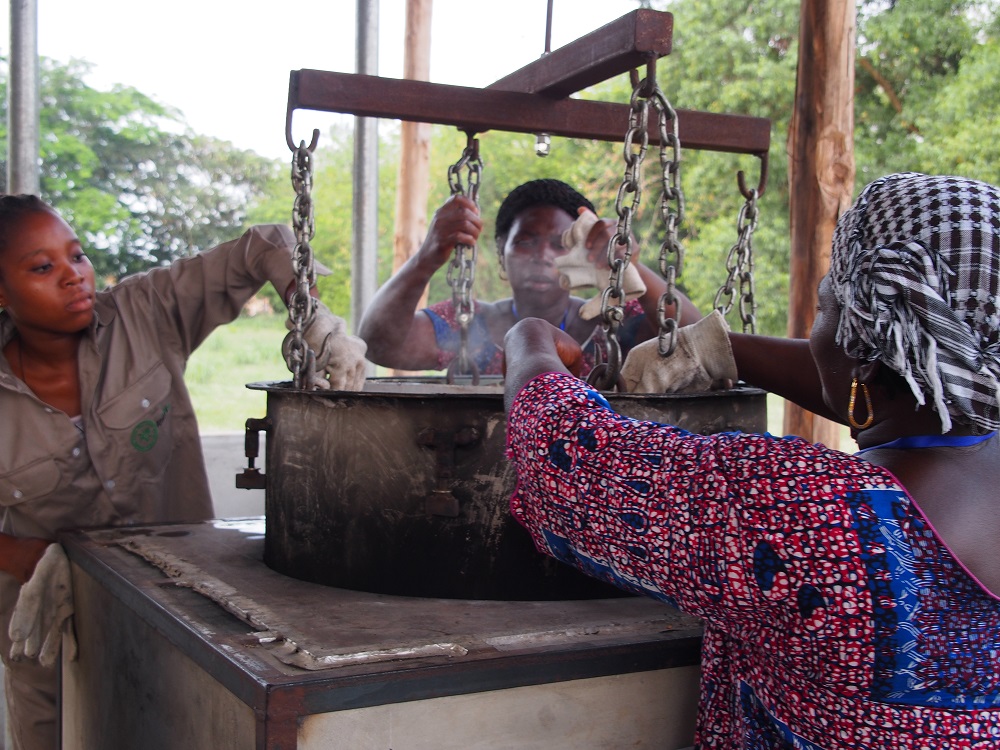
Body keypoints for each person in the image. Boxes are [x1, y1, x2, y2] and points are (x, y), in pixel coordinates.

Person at [502, 172, 1000, 747]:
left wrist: (530, 345)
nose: (816, 331)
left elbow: (562, 462)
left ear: (861, 350)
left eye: (823, 308)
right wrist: (720, 349)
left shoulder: (814, 514)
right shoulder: (961, 423)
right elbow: (893, 384)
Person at [0, 195, 366, 750]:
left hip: (179, 614)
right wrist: (43, 559)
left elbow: (259, 248)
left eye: (76, 256)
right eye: (43, 267)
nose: (74, 277)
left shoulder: (143, 314)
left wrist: (310, 314)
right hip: (53, 628)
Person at [358, 178, 701, 377]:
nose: (542, 256)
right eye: (525, 242)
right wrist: (426, 256)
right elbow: (379, 344)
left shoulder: (614, 323)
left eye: (559, 244)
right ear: (502, 258)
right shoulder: (469, 323)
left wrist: (629, 265)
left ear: (587, 257)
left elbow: (696, 340)